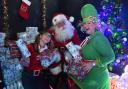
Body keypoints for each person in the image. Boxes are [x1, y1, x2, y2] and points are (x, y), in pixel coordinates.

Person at [71, 4, 115, 89]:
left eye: (89, 23)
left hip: (97, 82)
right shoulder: (90, 37)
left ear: (95, 24)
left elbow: (111, 57)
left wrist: (92, 63)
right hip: (88, 79)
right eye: (84, 23)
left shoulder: (98, 38)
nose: (86, 26)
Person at [48, 13, 81, 89]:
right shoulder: (52, 32)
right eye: (58, 24)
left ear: (66, 22)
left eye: (63, 22)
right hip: (58, 55)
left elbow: (77, 44)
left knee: (70, 74)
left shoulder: (72, 30)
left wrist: (75, 53)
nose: (61, 25)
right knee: (55, 71)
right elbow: (49, 44)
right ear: (56, 25)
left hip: (70, 54)